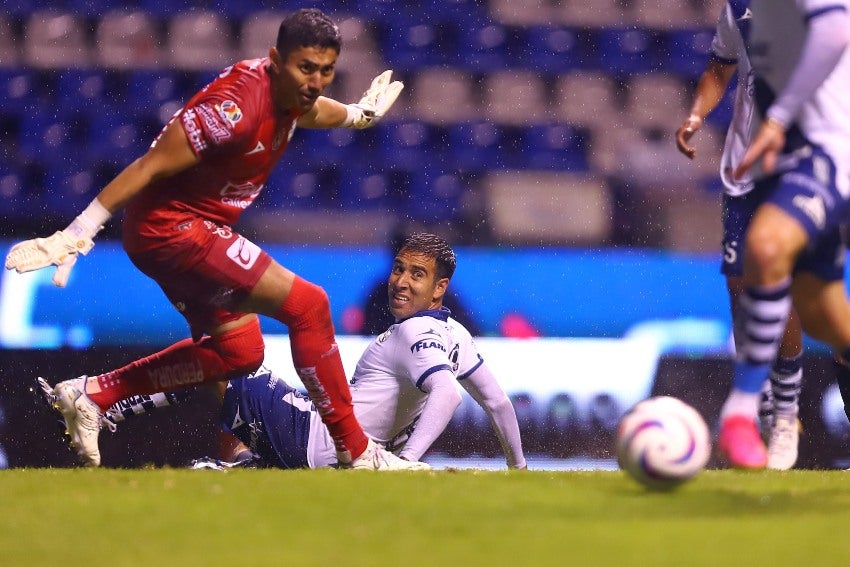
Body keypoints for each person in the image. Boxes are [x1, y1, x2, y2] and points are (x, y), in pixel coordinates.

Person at [5, 9, 424, 470]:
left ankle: (91, 394)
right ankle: (356, 452)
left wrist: (356, 115)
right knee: (309, 306)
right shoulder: (236, 109)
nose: (317, 81)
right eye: (307, 68)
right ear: (275, 60)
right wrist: (78, 232)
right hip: (174, 229)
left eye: (326, 71)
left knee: (240, 353)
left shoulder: (291, 93)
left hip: (183, 229)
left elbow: (309, 110)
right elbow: (150, 165)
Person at [54, 233, 528, 470]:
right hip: (333, 443)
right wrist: (519, 468)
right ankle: (242, 464)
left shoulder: (413, 333)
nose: (400, 281)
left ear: (440, 287)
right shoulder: (457, 335)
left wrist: (404, 466)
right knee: (240, 369)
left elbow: (446, 395)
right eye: (399, 268)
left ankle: (102, 397)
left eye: (416, 275)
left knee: (233, 358)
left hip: (319, 439)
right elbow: (498, 403)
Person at [713, 0, 850, 469]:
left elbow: (835, 30)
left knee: (767, 247)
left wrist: (776, 119)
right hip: (794, 164)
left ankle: (744, 411)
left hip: (832, 155)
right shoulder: (747, 10)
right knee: (825, 319)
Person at [674, 1, 803, 470]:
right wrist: (696, 114)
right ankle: (762, 402)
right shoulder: (740, 7)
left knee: (775, 277)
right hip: (743, 169)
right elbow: (719, 68)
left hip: (799, 167)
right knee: (740, 288)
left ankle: (785, 412)